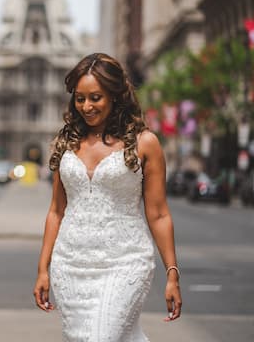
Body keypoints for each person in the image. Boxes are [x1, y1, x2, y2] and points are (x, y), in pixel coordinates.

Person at [33, 53, 182, 341]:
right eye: (80, 98)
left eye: (96, 98)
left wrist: (172, 273)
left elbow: (159, 213)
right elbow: (56, 211)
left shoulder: (145, 143)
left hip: (125, 262)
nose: (86, 107)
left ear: (115, 96)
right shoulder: (65, 143)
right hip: (70, 264)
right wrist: (43, 268)